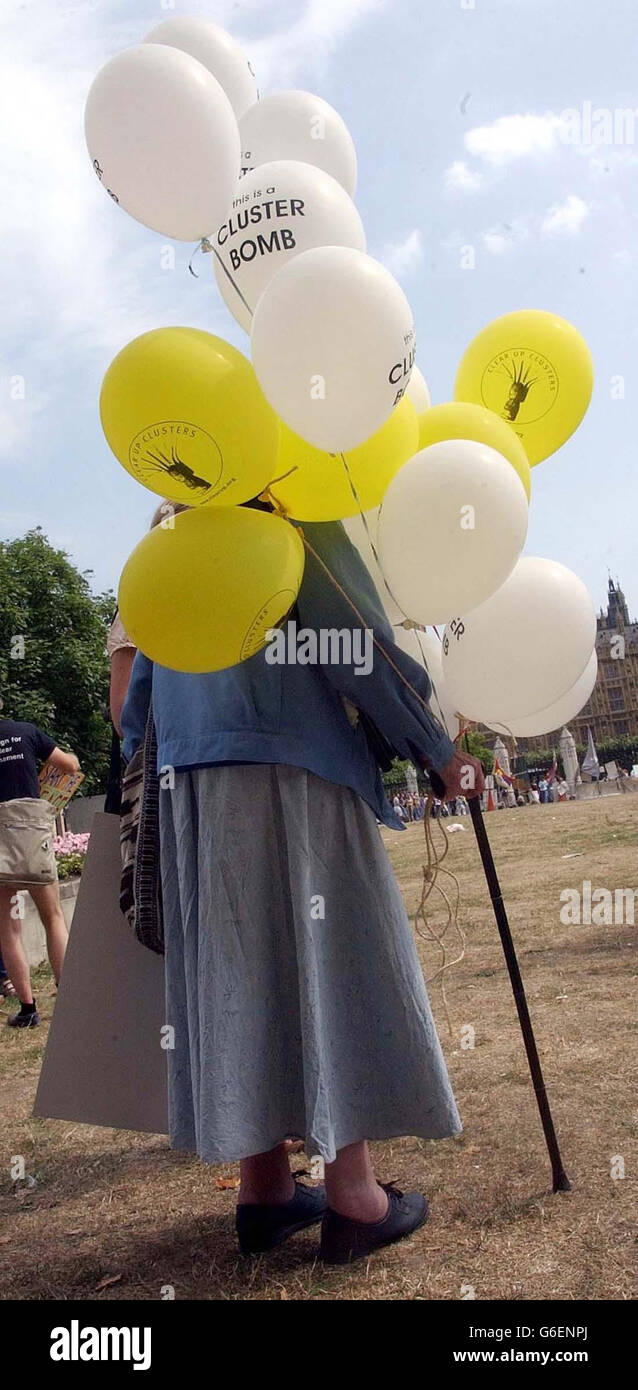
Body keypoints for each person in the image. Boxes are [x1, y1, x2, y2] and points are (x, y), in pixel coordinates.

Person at [121, 514, 484, 1265]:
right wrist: (436, 747)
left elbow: (137, 702)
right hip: (293, 764)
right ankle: (354, 1197)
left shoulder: (171, 528)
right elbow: (357, 644)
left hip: (189, 780)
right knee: (329, 958)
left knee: (242, 970)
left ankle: (266, 1190)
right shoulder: (290, 496)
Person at [0, 703, 80, 1028]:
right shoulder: (25, 732)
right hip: (32, 836)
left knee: (6, 928)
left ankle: (28, 1008)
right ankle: (70, 998)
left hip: (0, 843)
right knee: (53, 917)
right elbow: (70, 765)